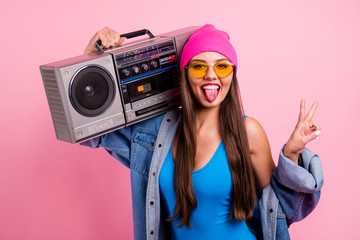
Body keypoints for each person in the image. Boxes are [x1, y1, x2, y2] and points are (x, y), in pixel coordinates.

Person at [82, 24, 323, 240]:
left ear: (232, 73)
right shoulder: (156, 133)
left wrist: (291, 155)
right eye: (199, 67)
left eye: (222, 66)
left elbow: (280, 212)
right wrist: (92, 59)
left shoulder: (248, 132)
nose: (211, 75)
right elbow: (93, 132)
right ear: (185, 73)